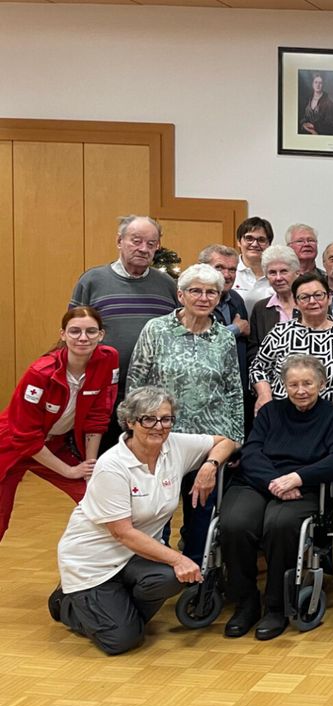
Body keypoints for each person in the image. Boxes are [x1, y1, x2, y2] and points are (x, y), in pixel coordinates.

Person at [52, 387, 237, 655]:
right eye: (148, 419)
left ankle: (113, 611)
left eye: (166, 419)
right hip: (94, 560)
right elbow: (123, 533)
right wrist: (179, 559)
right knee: (121, 641)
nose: (159, 427)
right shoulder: (111, 466)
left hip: (135, 556)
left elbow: (226, 442)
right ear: (130, 422)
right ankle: (67, 604)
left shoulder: (175, 445)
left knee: (170, 578)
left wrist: (210, 466)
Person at [221, 355, 333, 640]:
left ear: (322, 383)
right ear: (284, 385)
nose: (301, 390)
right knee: (234, 523)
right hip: (259, 482)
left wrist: (298, 477)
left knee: (280, 524)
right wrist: (274, 481)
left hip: (304, 487)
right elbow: (251, 451)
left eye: (308, 383)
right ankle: (245, 603)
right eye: (293, 384)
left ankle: (276, 606)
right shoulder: (270, 413)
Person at [127, 263, 244, 564]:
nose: (203, 298)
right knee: (156, 510)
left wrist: (235, 440)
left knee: (202, 511)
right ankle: (155, 568)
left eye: (211, 292)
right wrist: (134, 432)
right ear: (181, 295)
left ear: (219, 297)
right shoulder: (156, 329)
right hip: (160, 436)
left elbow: (233, 390)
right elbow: (136, 383)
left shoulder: (223, 338)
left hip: (208, 440)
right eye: (196, 291)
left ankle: (196, 569)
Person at [0, 308, 117, 542]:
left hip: (54, 445)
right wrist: (69, 471)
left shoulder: (108, 359)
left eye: (90, 331)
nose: (83, 338)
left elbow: (98, 415)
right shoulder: (40, 372)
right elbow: (25, 436)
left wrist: (88, 467)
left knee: (97, 501)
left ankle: (105, 563)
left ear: (101, 334)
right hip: (12, 445)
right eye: (75, 331)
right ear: (63, 334)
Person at [69, 215, 178, 452]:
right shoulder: (93, 281)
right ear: (119, 241)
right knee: (102, 458)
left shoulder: (167, 285)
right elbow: (74, 332)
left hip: (153, 395)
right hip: (103, 391)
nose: (143, 248)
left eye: (151, 243)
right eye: (136, 241)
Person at [250, 272, 333, 417]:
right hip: (283, 417)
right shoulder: (280, 333)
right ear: (296, 302)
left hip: (332, 418)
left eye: (318, 295)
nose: (312, 301)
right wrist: (264, 393)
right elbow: (258, 368)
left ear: (329, 298)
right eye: (304, 297)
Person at [200, 245, 252, 388]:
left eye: (232, 270)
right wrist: (235, 329)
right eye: (219, 268)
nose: (227, 275)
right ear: (203, 268)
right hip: (205, 386)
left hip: (236, 385)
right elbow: (196, 343)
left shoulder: (236, 299)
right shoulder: (194, 300)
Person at [247, 245, 300, 353]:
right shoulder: (260, 308)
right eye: (272, 273)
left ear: (297, 273)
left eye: (284, 271)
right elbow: (253, 350)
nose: (278, 278)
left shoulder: (313, 303)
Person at [233, 216, 274, 309]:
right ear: (239, 241)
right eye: (249, 238)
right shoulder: (230, 272)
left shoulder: (276, 274)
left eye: (261, 240)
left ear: (269, 244)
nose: (255, 244)